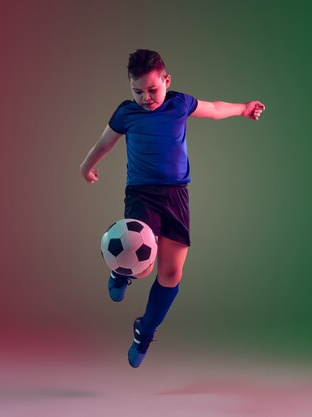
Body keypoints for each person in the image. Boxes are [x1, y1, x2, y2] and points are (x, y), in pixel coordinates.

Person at [79, 49, 265, 368]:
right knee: (144, 264)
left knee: (171, 273)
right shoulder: (127, 113)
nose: (146, 98)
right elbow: (105, 142)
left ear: (167, 81)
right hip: (142, 194)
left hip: (177, 195)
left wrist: (243, 108)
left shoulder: (180, 103)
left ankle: (144, 331)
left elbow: (215, 108)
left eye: (152, 89)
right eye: (138, 92)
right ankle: (120, 269)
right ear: (130, 90)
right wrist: (87, 166)